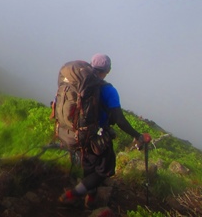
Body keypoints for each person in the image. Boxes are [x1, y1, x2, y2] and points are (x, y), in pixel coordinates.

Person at [58, 53, 152, 209]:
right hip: (96, 137)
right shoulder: (109, 90)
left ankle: (91, 198)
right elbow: (120, 120)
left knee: (89, 167)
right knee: (104, 171)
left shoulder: (77, 84)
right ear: (107, 70)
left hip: (75, 133)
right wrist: (138, 136)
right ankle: (72, 194)